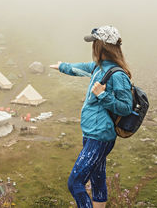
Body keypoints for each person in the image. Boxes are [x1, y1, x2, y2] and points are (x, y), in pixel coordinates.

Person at [50, 26, 133, 208]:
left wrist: (103, 95)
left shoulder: (117, 75)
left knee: (75, 183)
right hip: (91, 133)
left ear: (102, 46)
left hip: (100, 136)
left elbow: (126, 107)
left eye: (94, 43)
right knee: (97, 178)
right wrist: (62, 66)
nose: (92, 47)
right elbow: (80, 68)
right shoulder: (99, 67)